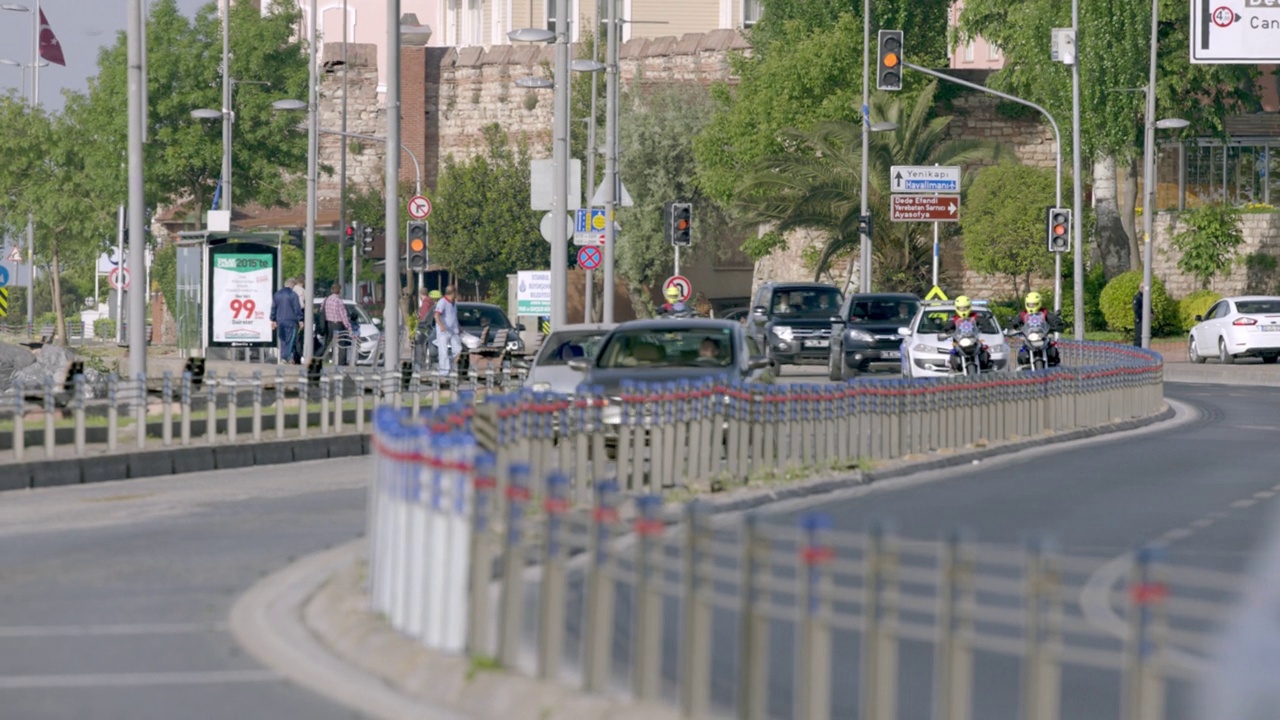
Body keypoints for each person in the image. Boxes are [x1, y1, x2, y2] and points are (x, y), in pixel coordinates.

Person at [1011, 291, 1064, 366]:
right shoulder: (1023, 314)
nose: (1032, 306)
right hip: (1029, 337)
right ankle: (1022, 365)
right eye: (1030, 304)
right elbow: (1015, 322)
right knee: (1022, 349)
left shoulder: (1045, 312)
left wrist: (1057, 324)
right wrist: (1014, 324)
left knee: (1052, 347)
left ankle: (1055, 365)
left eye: (1034, 304)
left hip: (1042, 336)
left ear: (1039, 303)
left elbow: (1054, 319)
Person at [269, 278, 303, 365]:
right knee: (290, 339)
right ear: (292, 285)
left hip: (280, 320)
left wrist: (273, 319)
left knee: (283, 339)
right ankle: (285, 357)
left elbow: (273, 308)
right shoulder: (293, 294)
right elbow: (296, 308)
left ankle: (285, 356)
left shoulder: (277, 294)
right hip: (291, 320)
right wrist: (300, 319)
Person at [321, 283, 352, 364]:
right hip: (338, 325)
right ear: (339, 291)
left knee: (328, 343)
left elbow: (321, 310)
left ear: (332, 290)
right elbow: (343, 315)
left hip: (329, 324)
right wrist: (348, 327)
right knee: (341, 343)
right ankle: (341, 362)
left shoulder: (327, 299)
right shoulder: (338, 301)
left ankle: (326, 360)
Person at [434, 285, 461, 375]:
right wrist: (441, 326)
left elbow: (454, 316)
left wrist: (459, 327)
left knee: (458, 350)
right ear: (453, 293)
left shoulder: (454, 303)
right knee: (443, 351)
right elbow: (436, 315)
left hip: (454, 331)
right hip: (444, 331)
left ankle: (451, 367)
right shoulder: (442, 302)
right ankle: (444, 372)